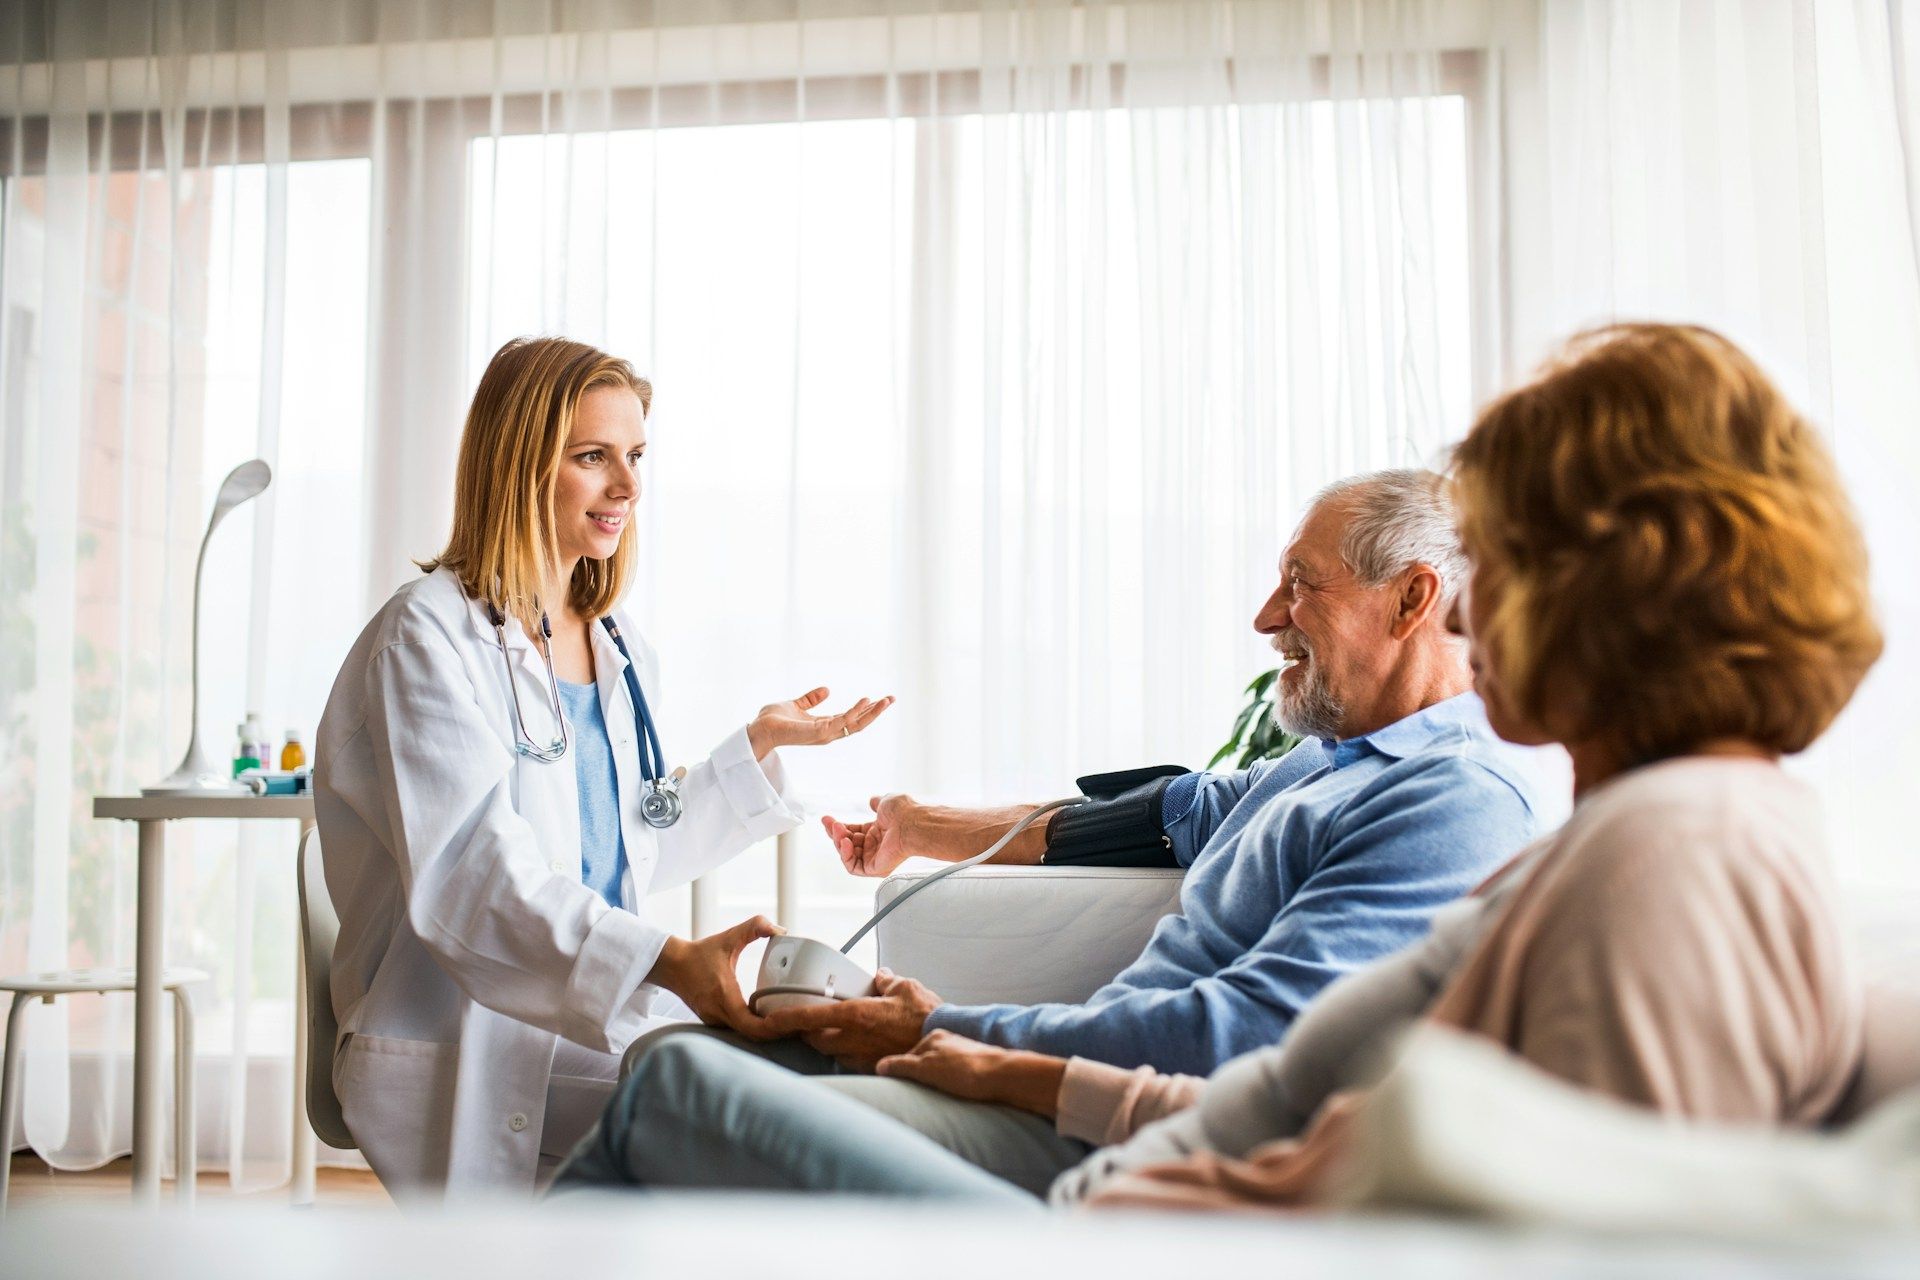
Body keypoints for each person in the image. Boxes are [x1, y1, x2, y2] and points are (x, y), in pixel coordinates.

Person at [554, 323, 1880, 1209]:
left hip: (1132, 1223)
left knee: (674, 1082)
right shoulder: (1593, 829)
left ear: (1622, 588)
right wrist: (968, 1024)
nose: (1478, 615)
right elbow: (1278, 1065)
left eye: (1508, 565)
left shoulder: (1641, 854)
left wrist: (957, 1038)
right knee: (705, 1067)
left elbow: (1469, 1199)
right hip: (1128, 1173)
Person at [557, 468, 1555, 1197]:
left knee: (679, 1083)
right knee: (664, 1058)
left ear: (1415, 596)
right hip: (1069, 1097)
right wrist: (919, 826)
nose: (1266, 615)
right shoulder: (1325, 762)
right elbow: (1152, 818)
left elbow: (1239, 1039)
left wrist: (947, 1026)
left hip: (1127, 1148)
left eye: (1301, 583)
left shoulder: (1448, 800)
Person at [313, 336, 891, 1198]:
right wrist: (667, 960)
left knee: (828, 1078)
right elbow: (478, 882)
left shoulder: (616, 648)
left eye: (635, 456)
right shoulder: (426, 640)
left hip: (581, 1017)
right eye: (593, 457)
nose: (628, 486)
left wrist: (754, 750)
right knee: (776, 1123)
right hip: (468, 1038)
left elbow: (634, 848)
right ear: (517, 465)